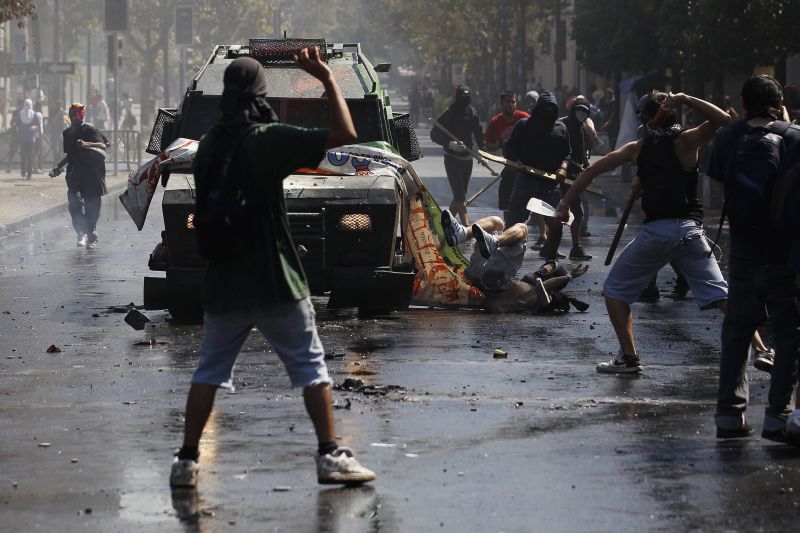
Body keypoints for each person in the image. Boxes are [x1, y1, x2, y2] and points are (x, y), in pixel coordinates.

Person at [169, 49, 375, 489]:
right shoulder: (268, 139)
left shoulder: (207, 147)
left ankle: (186, 462)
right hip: (275, 280)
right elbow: (346, 132)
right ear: (261, 94)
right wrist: (326, 77)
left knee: (208, 371)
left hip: (224, 283)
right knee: (311, 368)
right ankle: (329, 455)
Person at [555, 90, 731, 373]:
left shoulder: (638, 148)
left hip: (659, 231)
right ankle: (762, 348)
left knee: (614, 291)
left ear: (649, 119)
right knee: (722, 296)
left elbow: (591, 172)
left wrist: (564, 203)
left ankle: (629, 358)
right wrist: (687, 98)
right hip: (690, 232)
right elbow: (723, 118)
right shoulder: (686, 141)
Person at [707, 75, 800, 440]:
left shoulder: (729, 136)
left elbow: (718, 178)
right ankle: (777, 416)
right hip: (782, 252)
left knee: (738, 332)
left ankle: (729, 416)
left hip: (743, 250)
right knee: (788, 333)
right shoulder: (792, 137)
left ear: (743, 102)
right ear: (778, 103)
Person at [440, 209, 589, 313]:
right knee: (497, 222)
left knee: (523, 228)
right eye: (548, 265)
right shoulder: (530, 284)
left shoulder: (541, 293)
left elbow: (548, 289)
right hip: (479, 273)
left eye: (551, 268)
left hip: (496, 282)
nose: (545, 267)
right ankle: (461, 234)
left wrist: (568, 277)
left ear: (554, 276)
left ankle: (495, 242)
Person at [505, 91, 571, 260]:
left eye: (551, 109)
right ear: (537, 108)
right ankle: (504, 252)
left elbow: (567, 154)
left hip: (550, 183)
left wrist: (563, 168)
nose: (547, 113)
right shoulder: (524, 125)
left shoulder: (561, 128)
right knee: (515, 220)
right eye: (544, 109)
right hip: (526, 179)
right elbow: (510, 148)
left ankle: (550, 251)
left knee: (556, 221)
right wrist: (516, 161)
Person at [430, 85, 484, 225]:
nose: (464, 101)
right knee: (460, 196)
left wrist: (481, 152)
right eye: (461, 98)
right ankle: (466, 227)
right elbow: (434, 133)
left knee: (459, 196)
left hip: (467, 159)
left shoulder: (472, 113)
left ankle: (446, 224)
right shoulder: (449, 113)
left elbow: (478, 132)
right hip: (452, 159)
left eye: (467, 98)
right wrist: (449, 144)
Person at [61, 103, 109, 248]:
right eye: (74, 114)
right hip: (75, 174)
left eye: (79, 114)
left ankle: (91, 234)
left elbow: (103, 146)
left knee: (92, 206)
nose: (76, 117)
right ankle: (81, 231)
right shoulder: (67, 133)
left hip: (92, 174)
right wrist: (58, 167)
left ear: (83, 115)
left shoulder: (91, 130)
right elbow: (70, 154)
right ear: (69, 116)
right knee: (74, 203)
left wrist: (86, 144)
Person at [558, 95, 593, 260]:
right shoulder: (562, 125)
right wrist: (573, 165)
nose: (581, 113)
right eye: (579, 110)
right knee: (559, 211)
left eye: (585, 111)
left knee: (577, 213)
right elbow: (561, 151)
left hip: (575, 175)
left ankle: (576, 247)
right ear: (573, 110)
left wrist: (588, 168)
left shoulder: (580, 128)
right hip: (561, 173)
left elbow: (581, 152)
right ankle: (551, 246)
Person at [484, 92, 529, 220]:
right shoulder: (495, 122)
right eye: (508, 102)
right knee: (506, 201)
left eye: (513, 102)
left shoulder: (524, 118)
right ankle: (508, 227)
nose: (511, 105)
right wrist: (501, 143)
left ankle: (539, 233)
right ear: (501, 104)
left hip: (525, 167)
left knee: (529, 201)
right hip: (509, 166)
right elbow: (488, 145)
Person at [17, 99, 43, 179]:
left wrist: (34, 127)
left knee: (30, 156)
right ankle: (23, 171)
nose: (27, 106)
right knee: (23, 156)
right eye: (26, 104)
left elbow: (38, 125)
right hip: (22, 138)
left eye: (28, 104)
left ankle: (29, 173)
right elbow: (17, 124)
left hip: (31, 139)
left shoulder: (34, 114)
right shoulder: (20, 114)